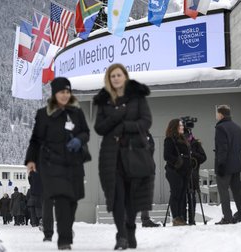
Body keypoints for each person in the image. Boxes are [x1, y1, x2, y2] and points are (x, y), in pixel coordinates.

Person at [93, 63, 154, 250]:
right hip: (112, 156)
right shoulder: (104, 100)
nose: (116, 78)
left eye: (119, 75)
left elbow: (146, 121)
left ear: (125, 76)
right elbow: (99, 127)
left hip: (134, 153)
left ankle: (130, 228)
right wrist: (117, 116)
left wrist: (124, 127)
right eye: (112, 76)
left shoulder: (137, 96)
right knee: (116, 197)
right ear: (109, 79)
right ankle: (121, 235)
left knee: (132, 198)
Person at [25, 77, 90, 250]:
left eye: (68, 92)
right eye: (62, 92)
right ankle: (64, 240)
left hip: (74, 163)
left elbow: (86, 133)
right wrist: (31, 159)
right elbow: (36, 140)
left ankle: (66, 230)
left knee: (72, 201)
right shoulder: (43, 114)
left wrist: (79, 140)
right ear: (55, 94)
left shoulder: (77, 113)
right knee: (61, 199)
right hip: (52, 164)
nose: (65, 95)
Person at [214, 105, 241, 225]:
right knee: (237, 191)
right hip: (236, 163)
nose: (216, 116)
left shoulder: (220, 128)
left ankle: (227, 217)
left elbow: (222, 148)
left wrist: (221, 164)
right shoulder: (237, 128)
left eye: (217, 114)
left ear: (221, 114)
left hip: (225, 164)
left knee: (223, 190)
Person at [164, 119, 192, 226]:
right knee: (176, 194)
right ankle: (176, 217)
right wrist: (178, 161)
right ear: (175, 126)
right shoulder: (169, 140)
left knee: (182, 195)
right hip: (174, 171)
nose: (182, 127)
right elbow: (166, 156)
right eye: (180, 125)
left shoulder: (183, 139)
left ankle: (180, 216)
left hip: (185, 171)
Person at [184, 128, 206, 225]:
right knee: (182, 197)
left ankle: (191, 219)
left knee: (192, 196)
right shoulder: (180, 143)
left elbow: (203, 157)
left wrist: (193, 154)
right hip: (182, 174)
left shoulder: (196, 144)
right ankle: (183, 218)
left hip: (193, 173)